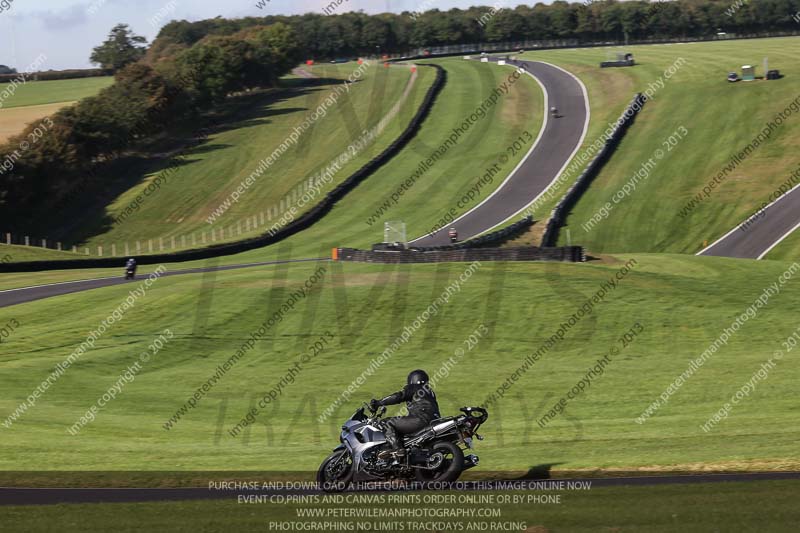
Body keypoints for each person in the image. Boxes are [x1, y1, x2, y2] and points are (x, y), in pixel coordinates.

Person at [370, 370, 440, 460]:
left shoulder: (415, 387)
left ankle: (398, 450)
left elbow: (398, 396)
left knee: (386, 422)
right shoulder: (430, 392)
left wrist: (379, 402)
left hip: (421, 419)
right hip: (434, 421)